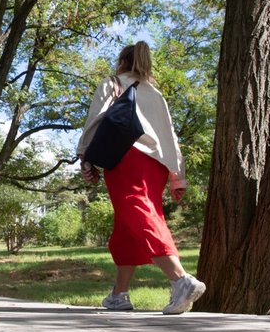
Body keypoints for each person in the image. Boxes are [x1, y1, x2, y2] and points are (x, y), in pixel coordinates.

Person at [77, 40, 205, 314]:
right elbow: (170, 136)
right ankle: (119, 295)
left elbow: (96, 119)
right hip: (157, 164)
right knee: (128, 224)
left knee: (139, 213)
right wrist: (176, 176)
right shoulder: (156, 94)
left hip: (126, 156)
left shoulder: (112, 83)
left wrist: (85, 156)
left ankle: (180, 279)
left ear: (122, 63)